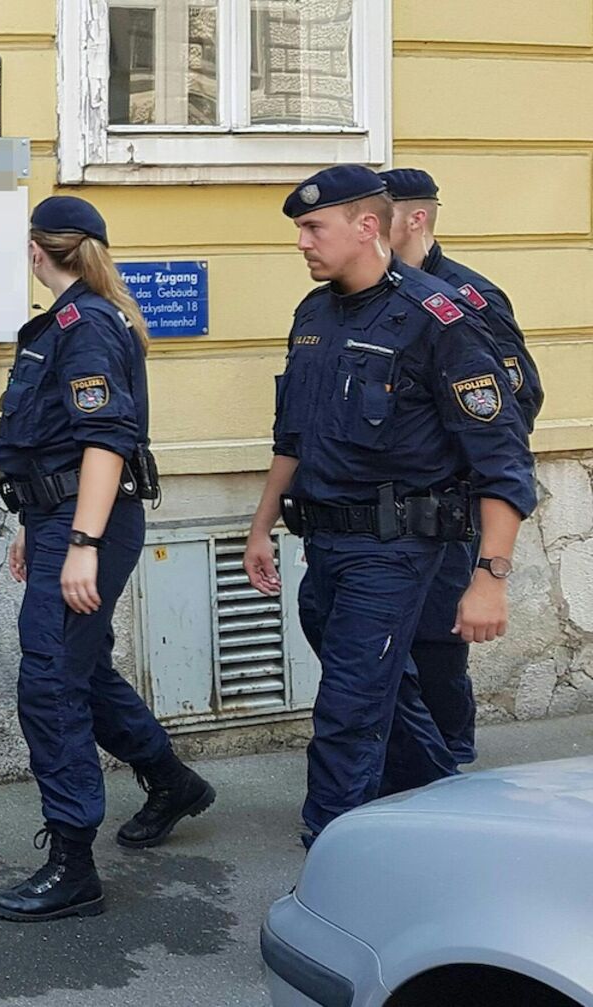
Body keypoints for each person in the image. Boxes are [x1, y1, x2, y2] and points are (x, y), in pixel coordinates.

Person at [244, 166, 535, 846]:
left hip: (399, 544)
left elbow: (503, 457)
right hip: (327, 541)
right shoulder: (313, 314)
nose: (302, 242)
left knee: (348, 706)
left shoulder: (440, 318)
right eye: (299, 229)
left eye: (314, 227)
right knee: (380, 687)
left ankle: (332, 857)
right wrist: (261, 524)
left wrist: (490, 577)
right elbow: (294, 433)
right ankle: (451, 803)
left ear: (366, 226)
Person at [0, 196, 216, 923]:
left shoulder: (84, 326)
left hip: (87, 522)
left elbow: (105, 442)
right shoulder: (71, 320)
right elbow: (55, 442)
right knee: (78, 666)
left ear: (37, 250)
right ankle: (169, 778)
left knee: (50, 680)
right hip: (60, 516)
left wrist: (80, 542)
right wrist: (38, 524)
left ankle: (73, 862)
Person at [379, 167, 544, 772]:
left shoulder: (465, 297)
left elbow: (515, 399)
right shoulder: (376, 296)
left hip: (451, 501)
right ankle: (409, 766)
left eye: (381, 212)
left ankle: (450, 763)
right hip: (389, 505)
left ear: (414, 218)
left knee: (438, 643)